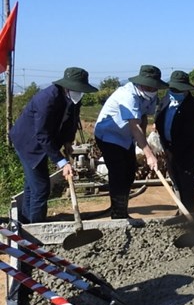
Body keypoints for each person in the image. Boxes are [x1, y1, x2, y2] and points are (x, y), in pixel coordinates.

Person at [10, 67, 98, 224]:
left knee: (32, 186)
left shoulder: (74, 98)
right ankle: (36, 230)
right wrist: (62, 162)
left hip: (46, 140)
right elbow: (42, 135)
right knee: (41, 187)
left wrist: (68, 142)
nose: (79, 92)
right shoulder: (47, 100)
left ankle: (25, 222)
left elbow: (71, 120)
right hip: (28, 143)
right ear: (66, 86)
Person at [94, 65, 168, 224]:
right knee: (119, 172)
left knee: (130, 171)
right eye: (147, 85)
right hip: (109, 135)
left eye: (153, 86)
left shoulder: (151, 95)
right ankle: (118, 215)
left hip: (126, 136)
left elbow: (143, 118)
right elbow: (134, 125)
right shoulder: (128, 95)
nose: (151, 88)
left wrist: (138, 142)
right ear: (140, 82)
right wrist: (149, 154)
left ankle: (122, 209)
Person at [154, 70, 194, 214]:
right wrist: (165, 146)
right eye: (173, 89)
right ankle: (180, 210)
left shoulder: (193, 109)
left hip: (187, 154)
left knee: (187, 187)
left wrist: (171, 152)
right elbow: (159, 121)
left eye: (178, 89)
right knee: (176, 184)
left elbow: (187, 137)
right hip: (169, 149)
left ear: (186, 89)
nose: (174, 91)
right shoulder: (166, 100)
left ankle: (188, 215)